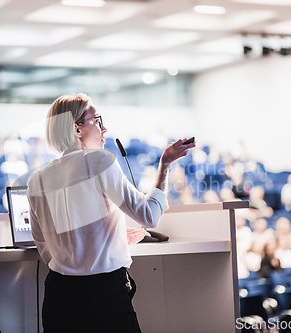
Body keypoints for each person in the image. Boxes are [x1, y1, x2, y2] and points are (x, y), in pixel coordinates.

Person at [27, 93, 194, 333]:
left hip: (58, 295)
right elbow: (148, 216)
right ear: (76, 128)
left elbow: (44, 244)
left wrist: (105, 239)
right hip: (103, 295)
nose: (105, 128)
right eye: (97, 120)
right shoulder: (100, 162)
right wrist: (165, 164)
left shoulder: (37, 179)